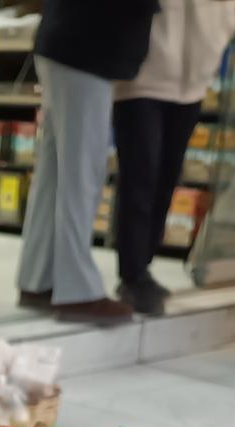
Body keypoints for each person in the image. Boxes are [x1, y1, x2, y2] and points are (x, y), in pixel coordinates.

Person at [17, 0, 161, 323]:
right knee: (81, 174)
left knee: (56, 173)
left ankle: (37, 280)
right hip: (88, 47)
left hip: (70, 43)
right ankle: (77, 292)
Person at [112, 0, 235, 315]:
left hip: (193, 83)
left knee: (167, 178)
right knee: (140, 175)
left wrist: (216, 45)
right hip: (142, 78)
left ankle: (143, 265)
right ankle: (132, 274)